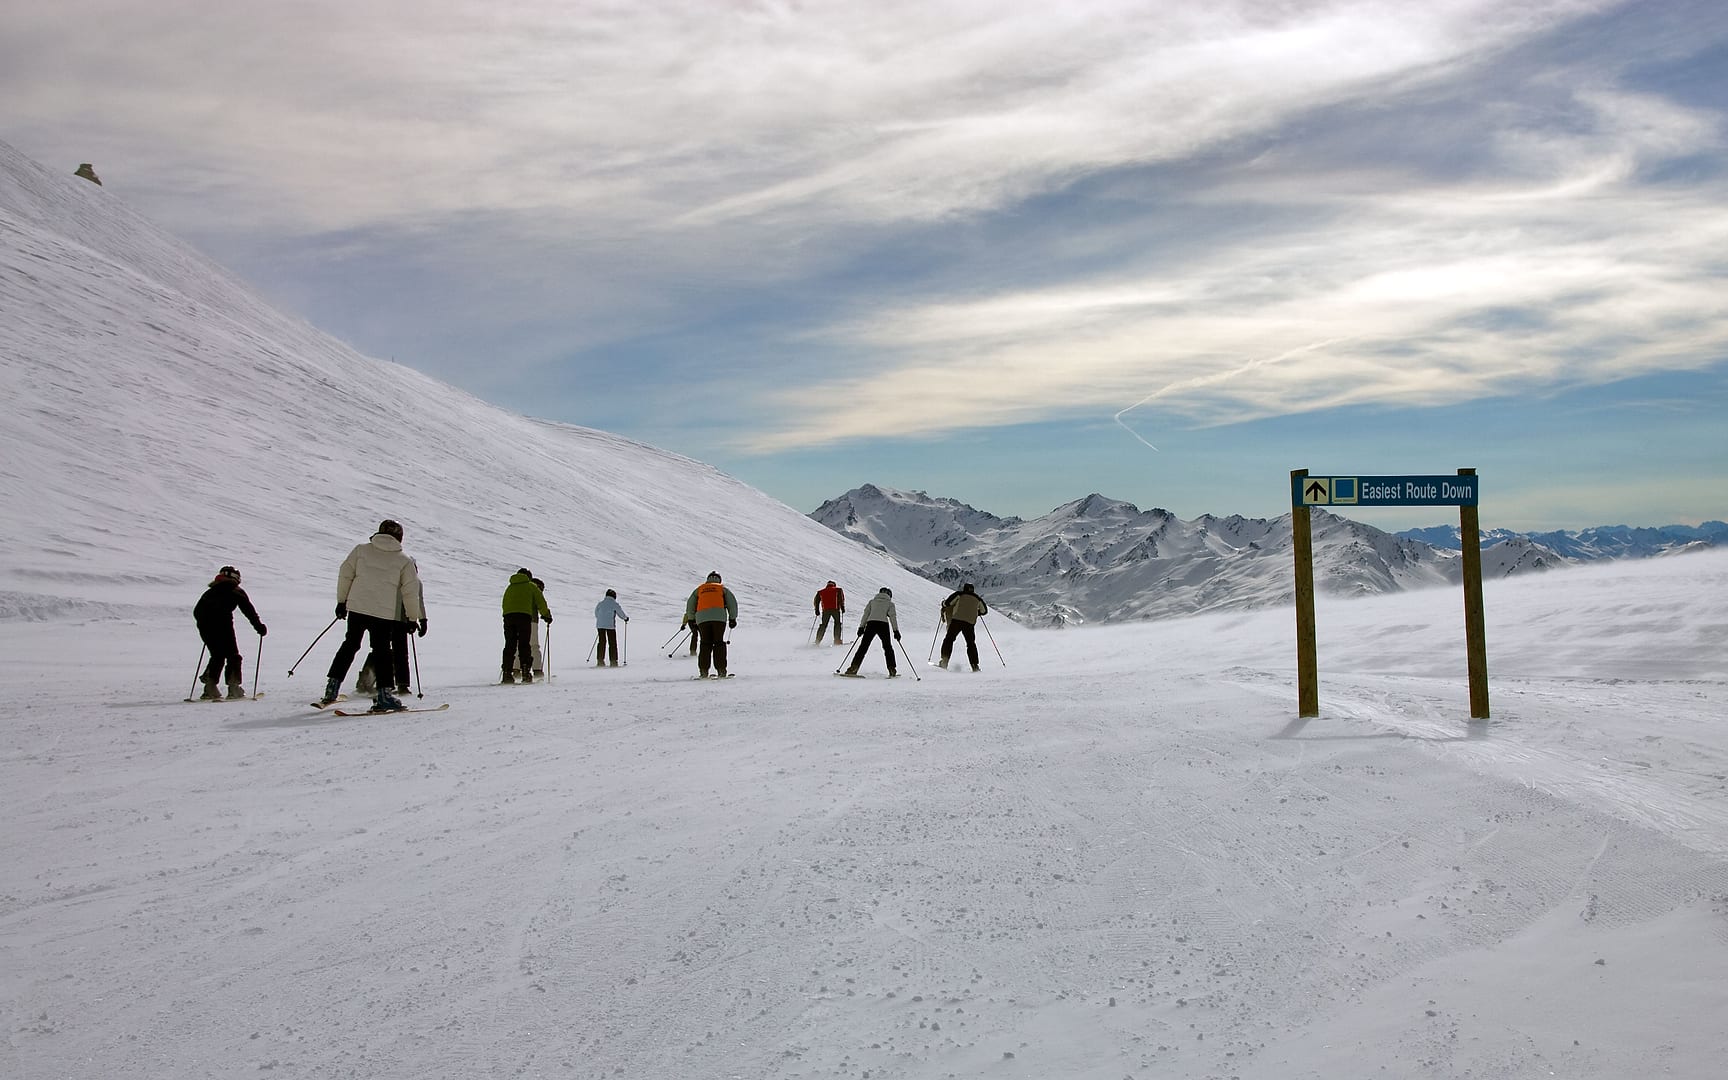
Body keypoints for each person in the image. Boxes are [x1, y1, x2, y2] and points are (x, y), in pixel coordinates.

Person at [322, 520, 426, 711]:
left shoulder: (360, 550)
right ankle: (384, 695)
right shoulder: (404, 560)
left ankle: (332, 688)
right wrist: (413, 618)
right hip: (383, 613)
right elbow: (410, 592)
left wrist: (342, 602)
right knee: (382, 651)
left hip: (357, 608)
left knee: (350, 645)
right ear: (400, 537)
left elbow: (345, 574)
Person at [193, 566, 266, 700]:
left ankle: (210, 687)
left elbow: (197, 611)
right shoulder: (235, 590)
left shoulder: (210, 591)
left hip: (205, 626)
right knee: (233, 656)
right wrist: (259, 627)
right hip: (223, 624)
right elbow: (248, 610)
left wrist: (204, 624)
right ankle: (234, 688)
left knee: (217, 655)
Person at [683, 571, 737, 678]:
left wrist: (691, 619)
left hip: (702, 619)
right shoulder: (722, 589)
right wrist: (732, 618)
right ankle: (721, 670)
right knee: (719, 643)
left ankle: (703, 672)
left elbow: (690, 605)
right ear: (719, 579)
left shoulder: (699, 589)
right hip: (719, 619)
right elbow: (732, 603)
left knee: (705, 644)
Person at [501, 568, 551, 684]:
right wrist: (547, 615)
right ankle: (526, 673)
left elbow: (504, 603)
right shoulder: (531, 586)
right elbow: (540, 602)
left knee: (510, 645)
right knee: (525, 644)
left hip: (508, 617)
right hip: (524, 617)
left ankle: (507, 673)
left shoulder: (510, 587)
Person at [843, 587, 900, 677]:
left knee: (863, 647)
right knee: (887, 647)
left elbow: (866, 615)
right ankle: (892, 669)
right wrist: (895, 631)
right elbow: (893, 617)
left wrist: (861, 627)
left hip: (871, 624)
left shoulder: (872, 602)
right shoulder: (890, 604)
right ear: (889, 595)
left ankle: (853, 668)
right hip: (883, 625)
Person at [939, 582, 989, 671]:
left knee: (949, 639)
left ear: (964, 589)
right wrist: (976, 612)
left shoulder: (959, 594)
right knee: (971, 644)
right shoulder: (977, 598)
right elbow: (984, 611)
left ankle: (944, 661)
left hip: (957, 620)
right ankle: (975, 666)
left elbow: (948, 603)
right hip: (970, 623)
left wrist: (943, 604)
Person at [512, 577, 547, 679]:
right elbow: (541, 604)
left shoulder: (519, 589)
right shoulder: (533, 590)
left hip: (515, 620)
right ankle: (537, 670)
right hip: (531, 621)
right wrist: (547, 615)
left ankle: (516, 669)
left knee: (518, 645)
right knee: (534, 646)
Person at [594, 588, 630, 667]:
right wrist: (625, 618)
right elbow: (620, 613)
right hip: (610, 626)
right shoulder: (614, 604)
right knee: (612, 643)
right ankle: (613, 661)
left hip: (600, 625)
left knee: (601, 642)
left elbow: (596, 613)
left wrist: (601, 620)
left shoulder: (600, 603)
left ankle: (600, 661)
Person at [813, 580, 846, 645]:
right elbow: (841, 599)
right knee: (837, 624)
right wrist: (842, 607)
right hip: (835, 610)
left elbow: (816, 601)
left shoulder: (820, 592)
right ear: (834, 585)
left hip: (825, 610)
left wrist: (817, 610)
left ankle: (817, 641)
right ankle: (837, 641)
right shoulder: (838, 590)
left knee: (823, 625)